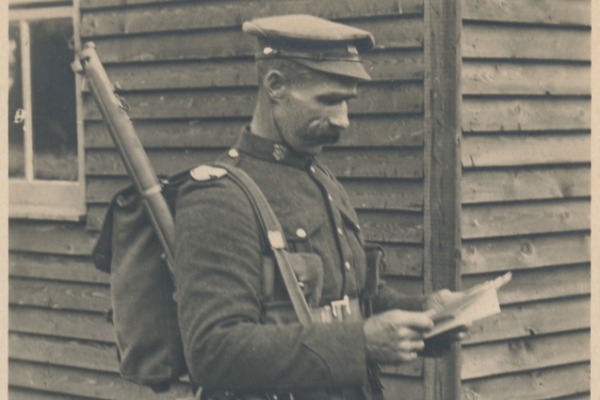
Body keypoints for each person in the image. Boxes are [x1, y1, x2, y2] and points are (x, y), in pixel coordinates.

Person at [173, 14, 465, 400]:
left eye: (347, 102)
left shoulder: (323, 180)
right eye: (328, 100)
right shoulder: (220, 197)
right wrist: (360, 344)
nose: (343, 120)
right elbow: (212, 350)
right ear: (275, 85)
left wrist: (426, 314)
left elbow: (348, 301)